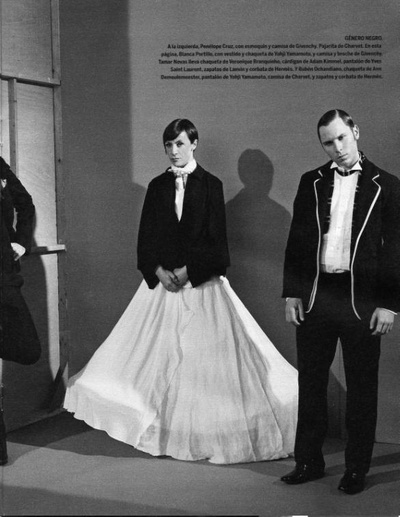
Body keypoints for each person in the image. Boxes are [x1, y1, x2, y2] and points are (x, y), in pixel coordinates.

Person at [64, 118, 298, 464]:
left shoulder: (211, 185)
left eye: (180, 144)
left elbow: (217, 242)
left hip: (201, 284)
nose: (173, 151)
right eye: (168, 145)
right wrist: (159, 271)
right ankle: (163, 430)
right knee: (149, 360)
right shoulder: (158, 185)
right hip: (163, 286)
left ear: (194, 144)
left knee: (205, 367)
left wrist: (188, 271)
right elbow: (146, 237)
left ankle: (206, 435)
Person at [281, 109, 400, 494]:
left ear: (355, 132)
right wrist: (292, 292)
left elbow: (395, 250)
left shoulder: (388, 185)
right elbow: (298, 240)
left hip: (362, 301)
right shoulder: (311, 182)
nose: (336, 148)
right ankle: (308, 462)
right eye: (328, 142)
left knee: (362, 389)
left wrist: (389, 303)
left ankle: (356, 469)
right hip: (317, 296)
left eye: (341, 138)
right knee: (311, 384)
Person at [0, 157, 41, 466]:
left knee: (29, 349)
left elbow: (25, 204)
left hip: (4, 278)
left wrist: (21, 242)